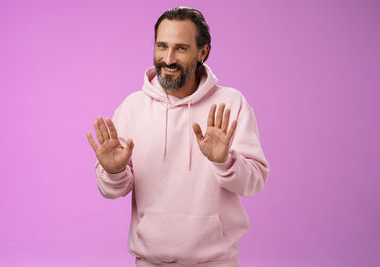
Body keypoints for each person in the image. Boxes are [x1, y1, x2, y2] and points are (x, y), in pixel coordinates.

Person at [86, 7, 270, 267]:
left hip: (216, 261)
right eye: (162, 46)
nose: (168, 58)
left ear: (202, 52)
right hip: (150, 261)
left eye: (181, 48)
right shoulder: (132, 107)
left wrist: (224, 162)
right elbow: (110, 190)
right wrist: (114, 172)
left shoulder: (230, 104)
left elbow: (254, 182)